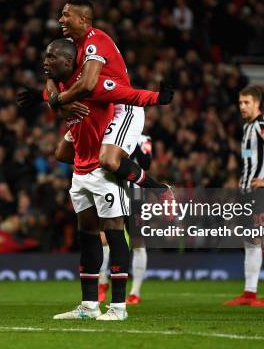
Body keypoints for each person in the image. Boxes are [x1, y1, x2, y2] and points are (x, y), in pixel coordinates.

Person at [38, 39, 173, 320]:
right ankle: (88, 306)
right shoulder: (59, 87)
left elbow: (130, 95)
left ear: (68, 61)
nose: (46, 62)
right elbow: (47, 94)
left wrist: (159, 98)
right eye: (46, 57)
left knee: (114, 232)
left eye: (52, 58)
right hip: (81, 170)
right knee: (88, 235)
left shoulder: (92, 84)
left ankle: (119, 307)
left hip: (103, 170)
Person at [18, 0, 174, 200]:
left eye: (66, 15)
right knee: (62, 154)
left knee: (108, 161)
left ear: (83, 19)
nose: (60, 20)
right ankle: (119, 161)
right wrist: (46, 95)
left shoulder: (95, 41)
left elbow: (88, 85)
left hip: (119, 105)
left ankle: (157, 189)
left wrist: (57, 100)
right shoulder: (72, 43)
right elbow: (52, 74)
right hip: (93, 106)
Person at [224, 85, 264, 307]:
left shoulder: (262, 124)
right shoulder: (247, 127)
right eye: (240, 102)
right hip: (246, 194)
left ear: (257, 103)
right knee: (251, 242)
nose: (242, 106)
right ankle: (249, 293)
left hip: (262, 194)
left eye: (246, 102)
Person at [98, 134, 153, 305]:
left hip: (136, 194)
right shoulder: (108, 133)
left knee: (137, 242)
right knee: (104, 237)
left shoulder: (144, 140)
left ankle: (135, 292)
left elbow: (146, 164)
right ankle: (102, 282)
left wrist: (132, 140)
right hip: (112, 189)